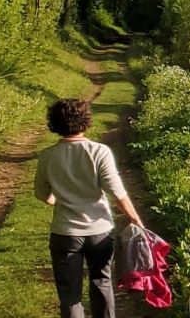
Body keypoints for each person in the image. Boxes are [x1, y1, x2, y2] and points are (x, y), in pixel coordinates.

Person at [34, 99, 144, 318]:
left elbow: (42, 194)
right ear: (85, 122)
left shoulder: (47, 156)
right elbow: (117, 192)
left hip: (65, 233)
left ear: (55, 123)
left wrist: (62, 201)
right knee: (102, 282)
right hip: (100, 231)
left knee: (69, 295)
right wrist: (136, 221)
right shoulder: (99, 151)